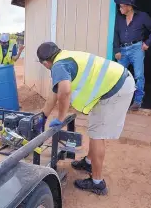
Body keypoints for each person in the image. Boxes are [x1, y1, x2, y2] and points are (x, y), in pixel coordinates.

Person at [37, 42, 135, 195]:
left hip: (116, 89)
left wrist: (61, 118)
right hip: (116, 84)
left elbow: (64, 92)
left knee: (97, 134)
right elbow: (55, 93)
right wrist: (43, 116)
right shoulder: (65, 57)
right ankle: (89, 163)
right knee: (95, 128)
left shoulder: (58, 66)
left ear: (44, 63)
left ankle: (97, 182)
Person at [113, 0, 151, 111]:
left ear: (129, 6)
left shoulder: (142, 16)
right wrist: (117, 49)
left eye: (122, 6)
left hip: (136, 48)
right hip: (122, 50)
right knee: (119, 75)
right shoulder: (119, 18)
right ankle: (118, 99)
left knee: (139, 75)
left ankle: (137, 101)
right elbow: (116, 34)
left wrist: (148, 43)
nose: (120, 8)